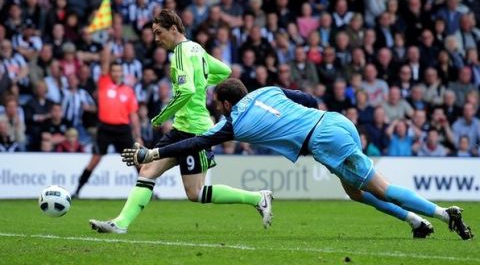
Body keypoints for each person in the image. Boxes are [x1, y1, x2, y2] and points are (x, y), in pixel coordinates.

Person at [123, 78, 474, 240]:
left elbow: (193, 142)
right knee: (355, 192)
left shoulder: (232, 123)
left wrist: (153, 152)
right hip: (335, 121)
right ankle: (416, 223)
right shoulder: (268, 90)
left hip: (323, 139)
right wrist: (307, 122)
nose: (218, 110)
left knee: (381, 189)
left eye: (218, 105)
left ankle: (444, 214)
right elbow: (306, 97)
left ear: (226, 104)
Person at [89, 9, 272, 234]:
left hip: (196, 131)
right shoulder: (196, 48)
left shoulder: (180, 52)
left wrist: (161, 117)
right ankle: (120, 223)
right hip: (182, 128)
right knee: (147, 170)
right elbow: (224, 71)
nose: (156, 38)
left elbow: (185, 91)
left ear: (173, 29)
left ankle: (257, 197)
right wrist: (202, 80)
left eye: (159, 32)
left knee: (195, 193)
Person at [73, 42, 141, 197]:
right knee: (95, 160)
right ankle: (77, 190)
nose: (116, 73)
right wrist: (107, 44)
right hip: (105, 128)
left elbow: (133, 114)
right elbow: (104, 61)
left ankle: (149, 192)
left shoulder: (128, 91)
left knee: (137, 161)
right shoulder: (104, 83)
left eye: (119, 71)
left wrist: (138, 134)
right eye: (114, 71)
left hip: (123, 129)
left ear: (122, 73)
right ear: (110, 73)